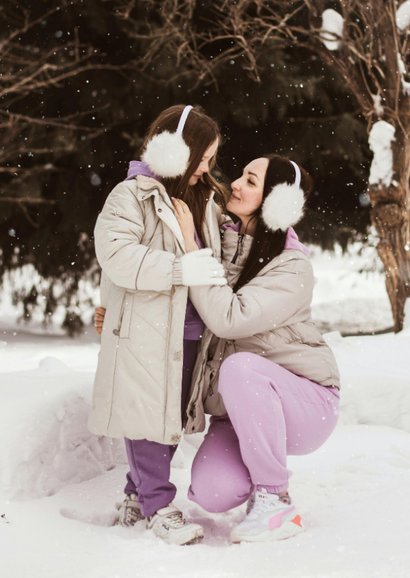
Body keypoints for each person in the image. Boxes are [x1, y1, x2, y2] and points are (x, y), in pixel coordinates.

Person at [170, 153, 340, 543]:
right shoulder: (222, 241)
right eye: (241, 175)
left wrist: (193, 254)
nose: (236, 184)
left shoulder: (292, 267)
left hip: (307, 403)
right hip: (238, 410)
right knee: (211, 494)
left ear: (275, 201)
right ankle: (258, 485)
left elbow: (229, 319)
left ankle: (274, 499)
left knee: (241, 367)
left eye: (251, 180)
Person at [89, 104, 228, 546]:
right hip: (146, 331)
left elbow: (227, 248)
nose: (207, 168)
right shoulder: (130, 195)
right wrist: (177, 269)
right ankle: (158, 505)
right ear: (176, 151)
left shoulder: (204, 198)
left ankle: (137, 492)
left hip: (189, 331)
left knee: (167, 417)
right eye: (202, 158)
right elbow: (116, 255)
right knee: (149, 418)